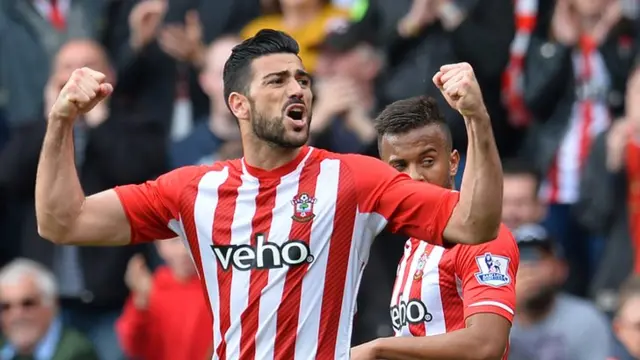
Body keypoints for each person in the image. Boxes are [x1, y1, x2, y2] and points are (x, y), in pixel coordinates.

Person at [34, 29, 504, 359]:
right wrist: (61, 121)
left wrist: (477, 120)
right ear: (238, 103)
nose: (297, 89)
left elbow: (475, 224)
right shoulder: (193, 189)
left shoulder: (355, 180)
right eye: (277, 81)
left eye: (302, 79)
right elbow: (61, 221)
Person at [350, 96, 518, 360]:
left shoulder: (482, 239)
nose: (415, 176)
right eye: (400, 166)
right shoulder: (413, 245)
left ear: (452, 163)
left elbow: (486, 344)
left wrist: (378, 348)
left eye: (427, 161)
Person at [508, 224, 612, 360]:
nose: (529, 269)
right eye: (520, 260)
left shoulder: (585, 320)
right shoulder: (489, 320)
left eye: (538, 259)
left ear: (561, 269)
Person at [116, 237, 212, 360]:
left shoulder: (217, 287)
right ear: (159, 246)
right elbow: (131, 345)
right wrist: (141, 300)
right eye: (175, 241)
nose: (183, 250)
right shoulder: (151, 288)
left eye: (190, 240)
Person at [0, 259, 98, 360]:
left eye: (28, 304)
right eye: (5, 307)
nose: (16, 315)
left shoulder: (77, 352)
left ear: (52, 305)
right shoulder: (3, 348)